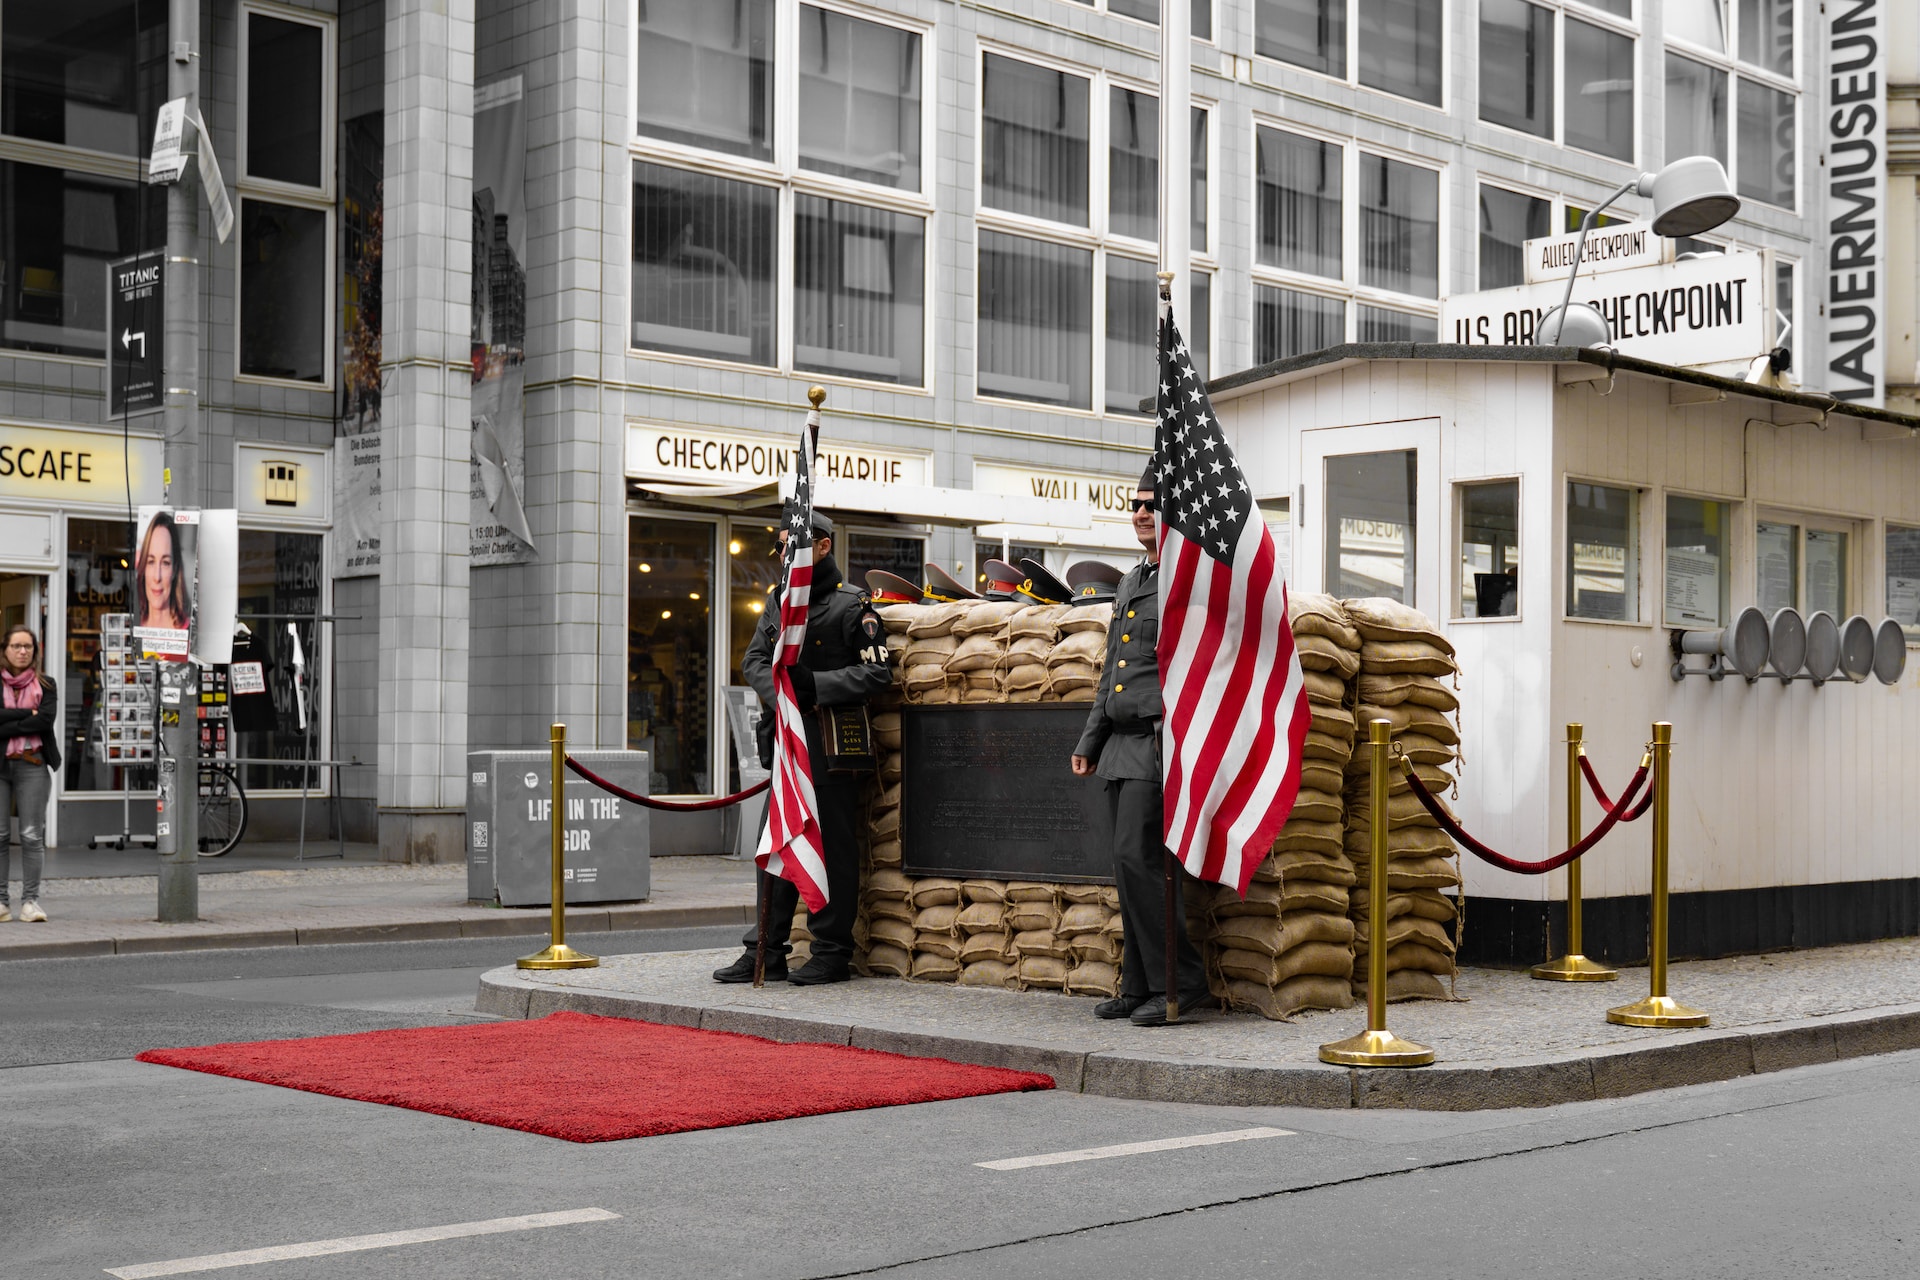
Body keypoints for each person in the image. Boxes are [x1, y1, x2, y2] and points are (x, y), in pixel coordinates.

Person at [713, 510, 893, 986]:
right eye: (779, 547)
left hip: (830, 742)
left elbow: (878, 674)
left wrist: (812, 686)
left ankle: (832, 951)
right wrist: (784, 700)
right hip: (786, 741)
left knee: (831, 847)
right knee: (772, 844)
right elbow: (753, 660)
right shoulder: (778, 602)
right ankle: (765, 950)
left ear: (823, 546)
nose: (783, 555)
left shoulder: (852, 604)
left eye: (791, 544)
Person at [1070, 471, 1211, 1026]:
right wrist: (1090, 740)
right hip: (1121, 746)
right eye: (1135, 506)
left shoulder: (1186, 579)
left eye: (1153, 507)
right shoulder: (1134, 580)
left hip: (1160, 742)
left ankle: (1181, 981)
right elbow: (1112, 673)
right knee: (1127, 868)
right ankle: (1138, 984)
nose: (1140, 514)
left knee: (1141, 860)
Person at [0, 625, 60, 923]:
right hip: (0, 766)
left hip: (33, 764)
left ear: (35, 651)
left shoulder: (47, 685)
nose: (22, 651)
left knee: (31, 835)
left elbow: (45, 721)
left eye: (28, 646)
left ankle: (30, 902)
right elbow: (34, 720)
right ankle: (0, 902)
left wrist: (13, 721)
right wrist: (27, 715)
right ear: (5, 650)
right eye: (16, 646)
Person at [135, 512, 193, 632]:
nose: (157, 577)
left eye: (165, 563)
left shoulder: (190, 635)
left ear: (175, 568)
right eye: (151, 562)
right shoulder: (133, 631)